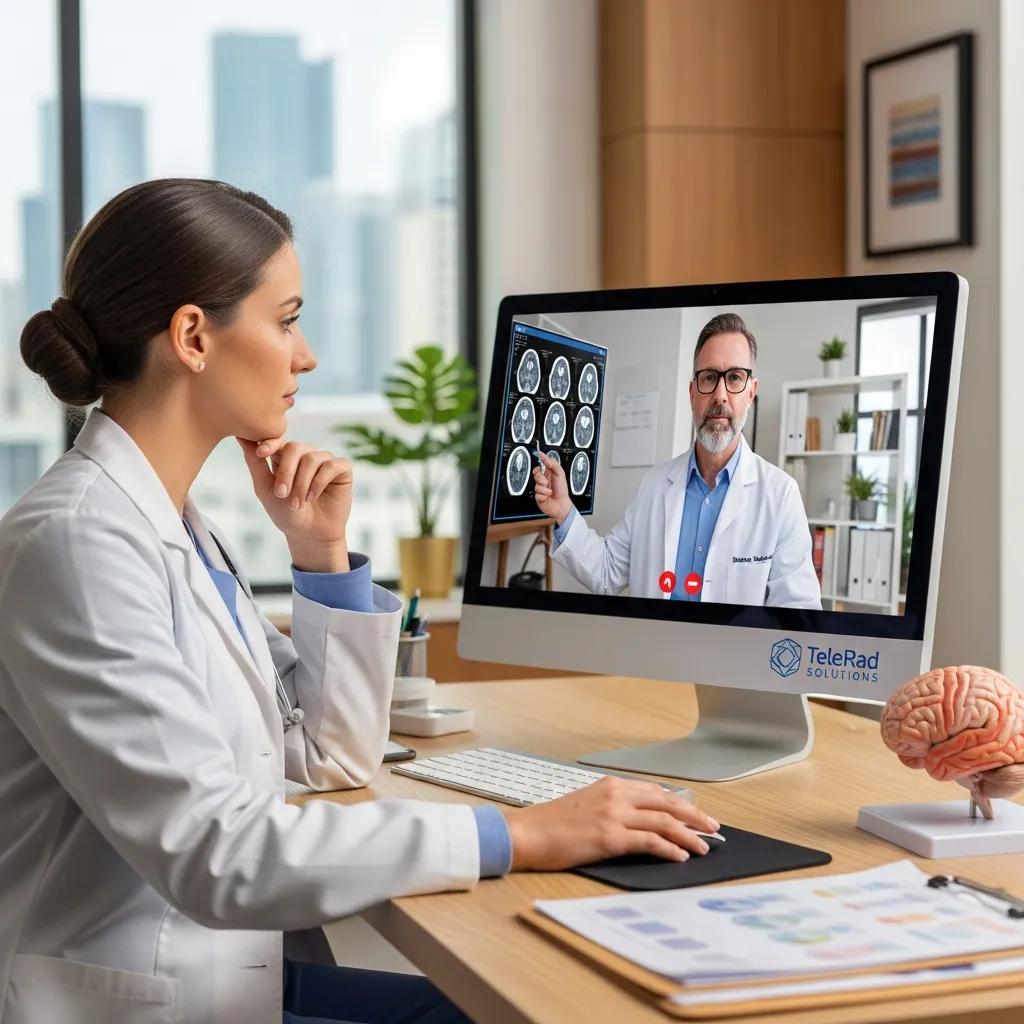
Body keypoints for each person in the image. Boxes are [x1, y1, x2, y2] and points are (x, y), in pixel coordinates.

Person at [0, 179, 720, 1024]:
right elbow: (217, 853)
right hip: (149, 991)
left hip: (225, 967)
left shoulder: (173, 527)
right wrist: (519, 836)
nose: (305, 356)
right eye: (287, 319)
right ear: (194, 336)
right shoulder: (78, 543)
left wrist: (320, 556)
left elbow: (326, 757)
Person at [533, 313, 821, 608]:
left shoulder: (780, 495)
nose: (720, 395)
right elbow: (607, 572)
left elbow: (798, 617)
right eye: (709, 377)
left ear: (751, 392)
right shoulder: (655, 485)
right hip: (655, 652)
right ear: (692, 392)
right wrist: (564, 511)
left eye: (734, 377)